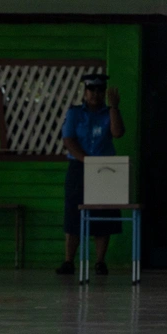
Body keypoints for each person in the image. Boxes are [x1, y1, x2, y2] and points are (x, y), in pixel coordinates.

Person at [56, 74, 124, 276]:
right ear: (85, 92)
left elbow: (118, 132)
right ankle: (69, 261)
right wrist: (87, 161)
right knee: (74, 214)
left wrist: (114, 107)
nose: (95, 94)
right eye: (91, 90)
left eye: (99, 91)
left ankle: (100, 262)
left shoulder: (108, 112)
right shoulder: (75, 113)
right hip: (79, 166)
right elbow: (69, 140)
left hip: (105, 169)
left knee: (104, 215)